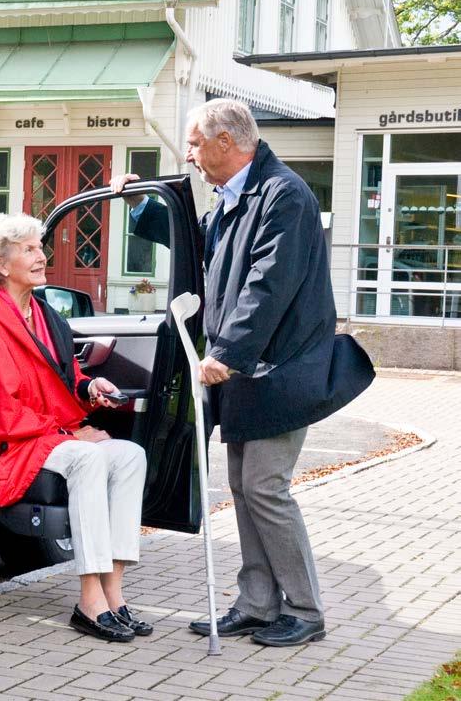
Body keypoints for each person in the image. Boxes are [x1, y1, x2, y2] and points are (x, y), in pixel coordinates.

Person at [112, 98, 374, 647]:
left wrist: (225, 352)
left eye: (194, 143)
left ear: (225, 143)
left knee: (265, 487)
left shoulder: (283, 196)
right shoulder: (235, 199)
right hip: (247, 373)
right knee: (243, 486)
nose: (188, 154)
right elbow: (199, 243)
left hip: (280, 371)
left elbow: (267, 285)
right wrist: (143, 206)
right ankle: (257, 604)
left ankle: (304, 609)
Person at [0, 212, 153, 643]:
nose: (42, 256)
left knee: (131, 455)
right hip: (0, 444)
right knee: (87, 457)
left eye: (40, 247)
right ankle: (89, 601)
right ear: (2, 265)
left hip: (43, 434)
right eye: (30, 249)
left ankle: (115, 594)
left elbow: (63, 376)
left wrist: (91, 385)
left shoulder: (44, 315)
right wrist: (68, 434)